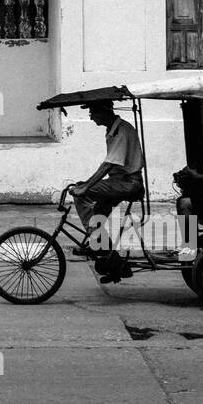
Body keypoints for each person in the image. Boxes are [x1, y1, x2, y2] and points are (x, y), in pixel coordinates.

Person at [72, 99, 145, 282]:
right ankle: (110, 258)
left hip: (128, 183)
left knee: (83, 196)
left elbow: (108, 165)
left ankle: (98, 242)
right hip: (118, 181)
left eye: (93, 113)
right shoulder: (113, 130)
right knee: (97, 216)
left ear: (104, 111)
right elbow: (108, 167)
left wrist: (86, 187)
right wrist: (86, 182)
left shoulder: (121, 131)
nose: (91, 117)